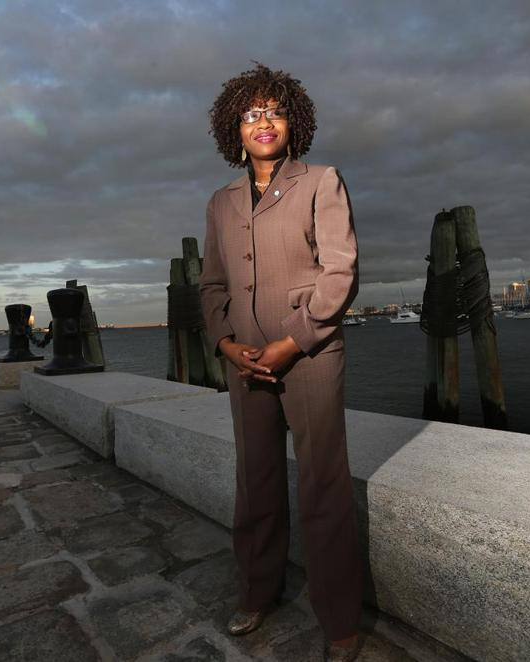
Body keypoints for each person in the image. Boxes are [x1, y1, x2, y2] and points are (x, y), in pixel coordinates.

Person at [199, 62, 363, 662]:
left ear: (294, 122)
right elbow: (211, 285)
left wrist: (291, 342)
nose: (262, 122)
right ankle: (256, 592)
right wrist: (225, 344)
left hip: (309, 356)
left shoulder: (321, 182)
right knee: (256, 482)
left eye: (273, 111)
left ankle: (340, 622)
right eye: (250, 113)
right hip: (244, 363)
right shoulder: (220, 202)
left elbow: (340, 273)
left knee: (323, 488)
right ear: (234, 129)